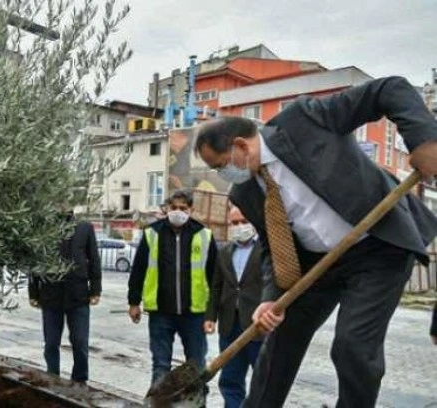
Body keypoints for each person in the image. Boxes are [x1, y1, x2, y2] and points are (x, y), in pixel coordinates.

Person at [194, 76, 437, 408]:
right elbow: (272, 247)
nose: (222, 174)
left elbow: (388, 89)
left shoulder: (302, 121)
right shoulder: (245, 191)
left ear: (240, 145)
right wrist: (271, 299)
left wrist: (424, 141)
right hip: (317, 266)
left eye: (220, 165)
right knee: (277, 346)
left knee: (352, 347)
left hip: (377, 248)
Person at [127, 190, 218, 387]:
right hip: (161, 313)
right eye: (174, 207)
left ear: (191, 209)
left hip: (194, 315)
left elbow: (215, 278)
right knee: (160, 365)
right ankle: (159, 404)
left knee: (196, 367)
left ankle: (196, 403)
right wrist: (134, 302)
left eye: (183, 208)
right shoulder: (152, 233)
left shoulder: (204, 235)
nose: (178, 211)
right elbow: (139, 270)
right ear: (167, 208)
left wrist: (212, 314)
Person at [28, 211, 102, 385]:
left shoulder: (85, 227)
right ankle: (52, 378)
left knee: (80, 342)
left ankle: (80, 380)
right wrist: (33, 292)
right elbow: (35, 262)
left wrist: (96, 289)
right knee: (51, 342)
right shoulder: (43, 228)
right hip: (51, 294)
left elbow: (94, 259)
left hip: (78, 295)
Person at [204, 206, 263, 408]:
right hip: (230, 325)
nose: (240, 226)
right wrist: (210, 316)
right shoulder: (225, 252)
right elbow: (216, 287)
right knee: (230, 378)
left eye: (243, 221)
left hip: (258, 326)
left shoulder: (266, 250)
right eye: (235, 223)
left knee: (263, 380)